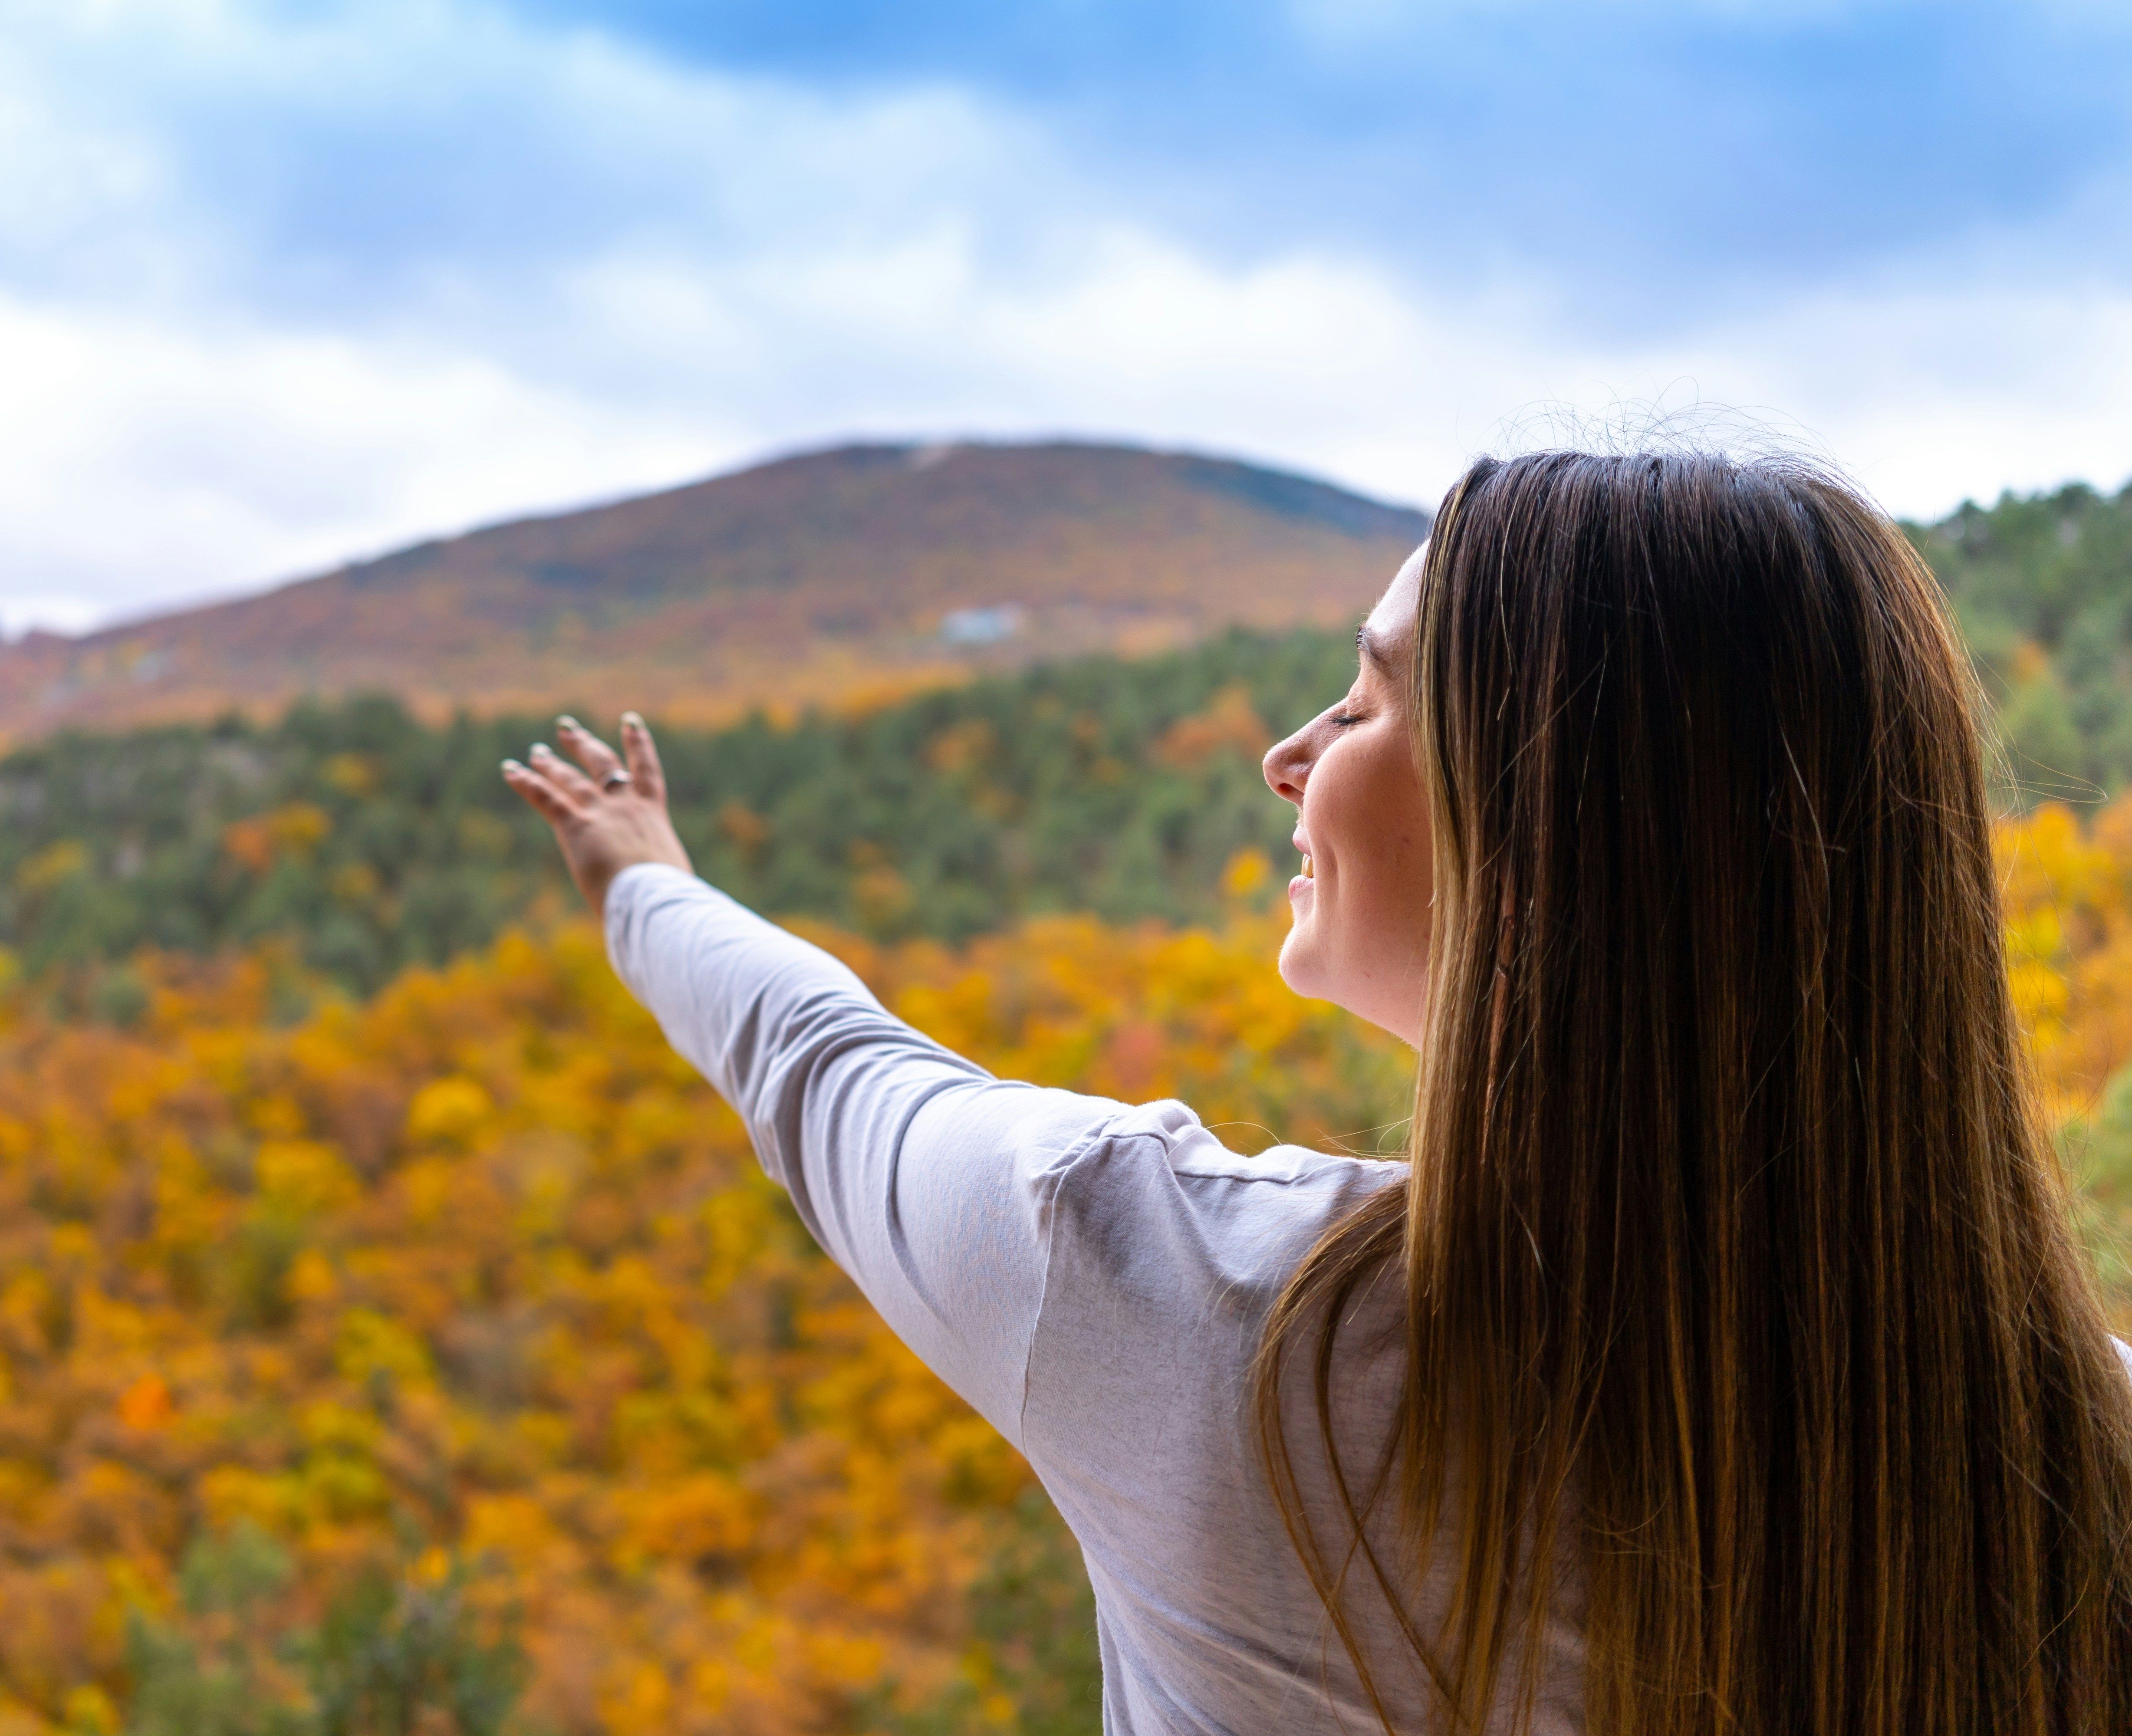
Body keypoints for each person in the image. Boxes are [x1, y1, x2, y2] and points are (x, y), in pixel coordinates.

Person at [501, 449, 2132, 1734]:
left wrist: (643, 883)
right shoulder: (2085, 1445)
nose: (1289, 752)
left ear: (1539, 822)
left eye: (1364, 697)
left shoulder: (1180, 1303)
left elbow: (823, 1071)